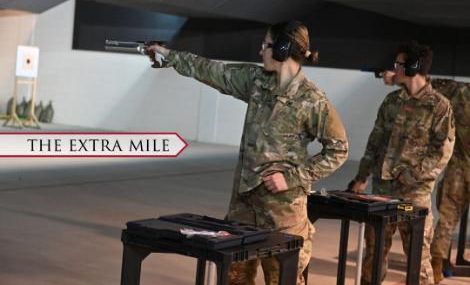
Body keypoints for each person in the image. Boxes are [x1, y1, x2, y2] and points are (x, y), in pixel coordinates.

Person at [146, 21, 349, 285]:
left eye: (265, 45)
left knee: (282, 280)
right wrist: (170, 56)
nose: (260, 51)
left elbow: (338, 149)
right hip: (243, 209)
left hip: (283, 215)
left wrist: (292, 177)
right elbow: (212, 70)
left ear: (282, 49)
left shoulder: (312, 100)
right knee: (234, 279)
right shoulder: (256, 82)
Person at [349, 41, 455, 285]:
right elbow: (375, 142)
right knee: (373, 256)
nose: (394, 69)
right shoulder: (392, 102)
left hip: (414, 196)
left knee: (418, 260)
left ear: (413, 67)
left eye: (398, 64)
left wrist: (411, 176)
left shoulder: (439, 107)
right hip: (383, 192)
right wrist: (361, 177)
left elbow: (442, 152)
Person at [427, 79, 469, 284]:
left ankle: (437, 265)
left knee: (446, 219)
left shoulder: (460, 92)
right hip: (459, 167)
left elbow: (427, 84)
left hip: (458, 168)